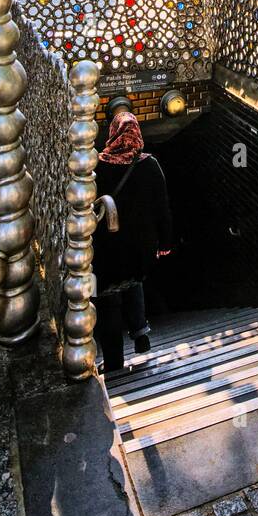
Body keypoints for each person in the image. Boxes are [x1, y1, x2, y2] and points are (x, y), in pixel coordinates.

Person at [92, 109, 172, 372]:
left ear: (113, 132)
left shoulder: (98, 166)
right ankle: (140, 333)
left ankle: (114, 360)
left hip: (106, 247)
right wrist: (165, 244)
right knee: (133, 281)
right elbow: (162, 208)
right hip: (140, 246)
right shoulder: (150, 164)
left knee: (107, 299)